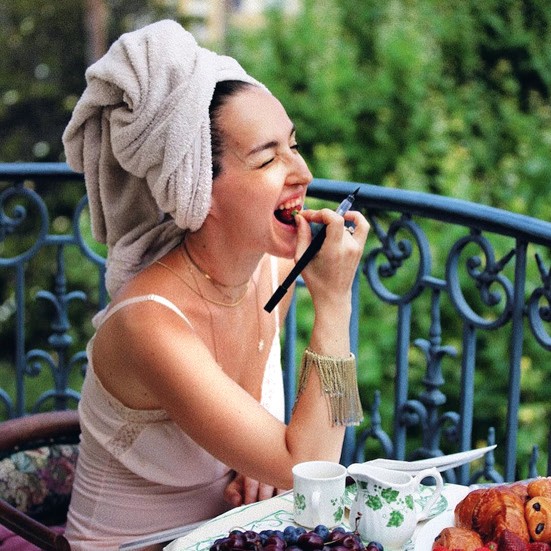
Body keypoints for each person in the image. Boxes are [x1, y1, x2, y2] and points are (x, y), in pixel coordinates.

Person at [61, 19, 369, 550]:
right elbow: (313, 466)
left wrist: (253, 456)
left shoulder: (270, 274)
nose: (302, 172)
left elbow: (321, 439)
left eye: (294, 146)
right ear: (199, 189)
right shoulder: (148, 324)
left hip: (229, 536)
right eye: (267, 158)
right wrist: (335, 301)